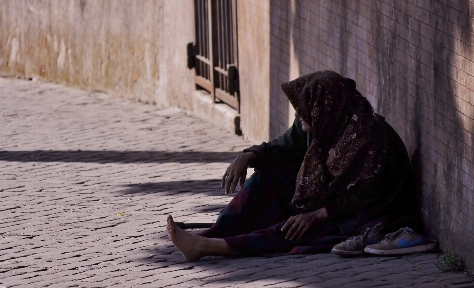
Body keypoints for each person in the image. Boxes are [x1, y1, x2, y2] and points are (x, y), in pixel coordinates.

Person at [167, 70, 417, 261]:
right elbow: (281, 146)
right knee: (270, 174)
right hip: (332, 195)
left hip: (367, 211)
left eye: (303, 109)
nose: (298, 115)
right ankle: (213, 233)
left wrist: (318, 214)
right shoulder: (325, 120)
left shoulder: (369, 139)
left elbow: (368, 195)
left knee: (299, 228)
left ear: (323, 107)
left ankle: (209, 247)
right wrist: (248, 156)